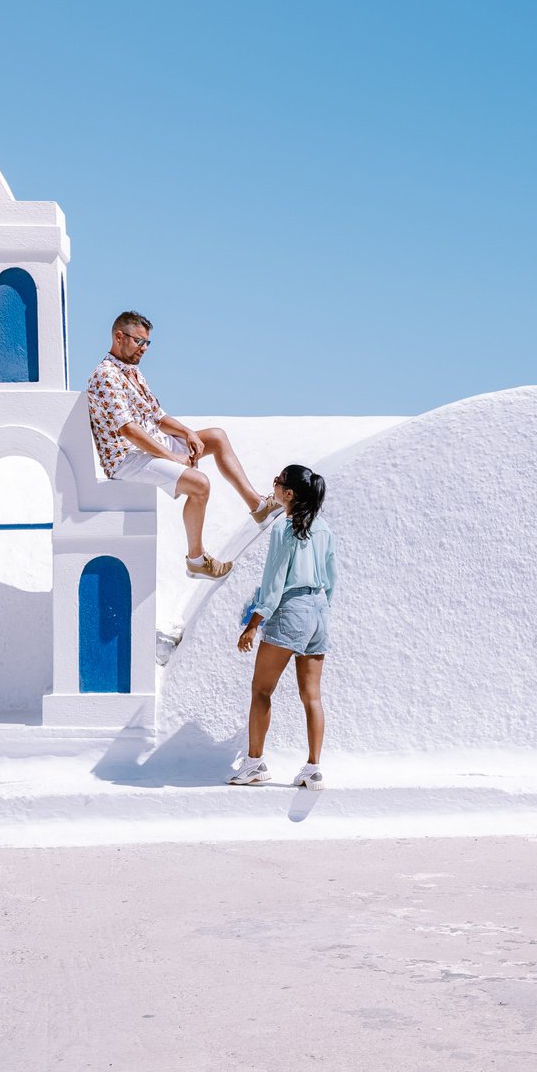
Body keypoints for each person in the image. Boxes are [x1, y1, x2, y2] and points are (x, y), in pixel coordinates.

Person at [87, 310, 276, 580]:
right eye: (139, 342)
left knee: (216, 436)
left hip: (150, 445)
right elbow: (128, 430)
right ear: (119, 336)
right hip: (126, 459)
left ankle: (258, 507)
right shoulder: (106, 375)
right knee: (200, 485)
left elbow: (157, 417)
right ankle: (197, 560)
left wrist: (188, 433)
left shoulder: (132, 373)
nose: (144, 349)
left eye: (147, 343)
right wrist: (171, 457)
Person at [229, 464, 336, 790]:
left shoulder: (284, 528)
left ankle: (254, 765)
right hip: (318, 612)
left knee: (262, 690)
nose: (273, 484)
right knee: (311, 696)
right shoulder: (324, 528)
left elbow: (273, 583)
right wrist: (318, 610)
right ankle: (313, 768)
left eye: (278, 481)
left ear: (288, 494)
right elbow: (331, 581)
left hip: (290, 610)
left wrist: (253, 623)